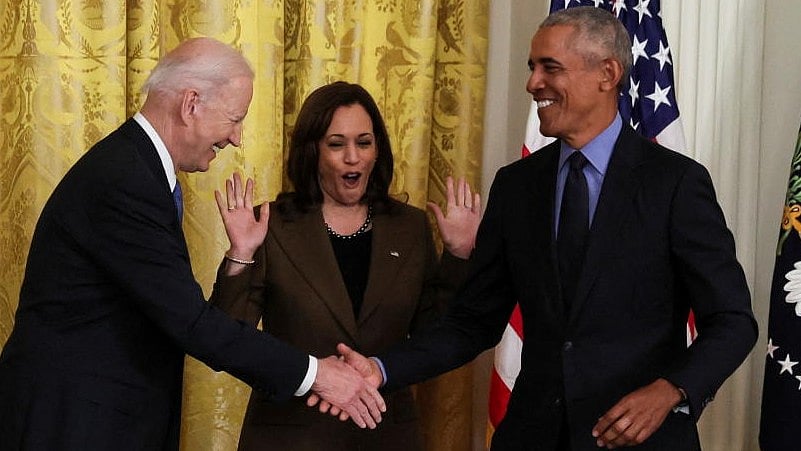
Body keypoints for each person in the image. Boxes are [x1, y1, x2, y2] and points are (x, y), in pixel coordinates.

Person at [333, 7, 758, 451]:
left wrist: (671, 390)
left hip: (640, 440)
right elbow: (472, 322)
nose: (533, 83)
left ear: (607, 74)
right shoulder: (516, 186)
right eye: (531, 67)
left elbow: (732, 320)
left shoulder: (675, 183)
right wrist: (381, 369)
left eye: (549, 68)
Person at [0, 38, 384, 451]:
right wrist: (317, 375)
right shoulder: (125, 181)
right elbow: (193, 324)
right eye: (234, 119)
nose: (236, 139)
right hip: (72, 425)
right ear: (191, 104)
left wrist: (241, 255)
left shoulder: (135, 167)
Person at [208, 81, 481, 451]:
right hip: (291, 437)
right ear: (313, 152)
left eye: (364, 143)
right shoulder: (271, 225)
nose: (353, 157)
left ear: (377, 150)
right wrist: (241, 253)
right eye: (336, 144)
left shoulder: (410, 226)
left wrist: (459, 256)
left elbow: (437, 337)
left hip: (385, 436)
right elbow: (226, 338)